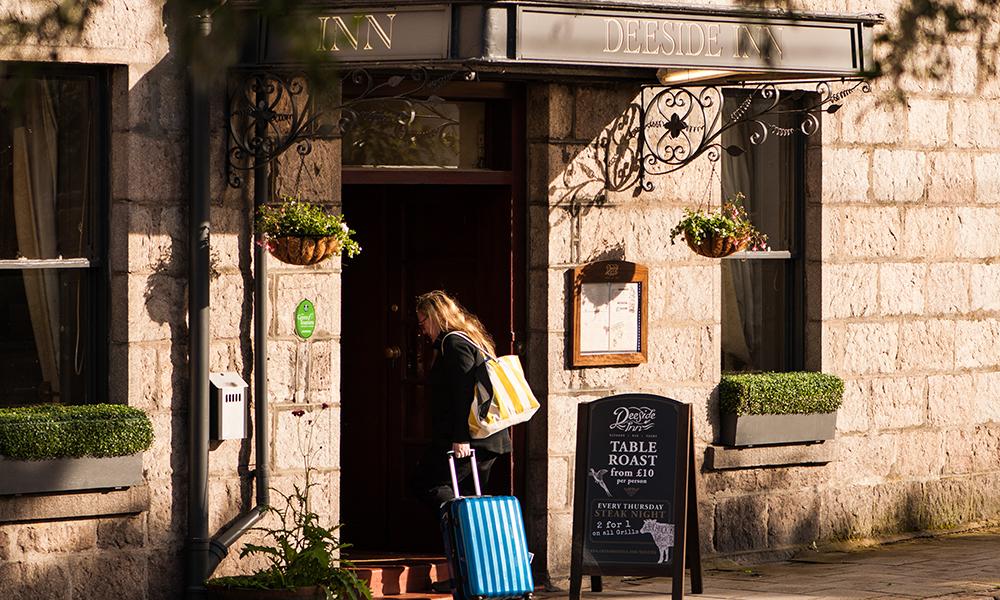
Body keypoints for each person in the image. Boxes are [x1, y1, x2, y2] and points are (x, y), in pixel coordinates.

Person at [412, 290, 512, 508]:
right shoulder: (472, 338)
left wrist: (461, 438)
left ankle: (459, 535)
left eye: (423, 323)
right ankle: (467, 540)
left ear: (435, 317)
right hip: (487, 437)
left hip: (472, 439)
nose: (423, 331)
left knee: (431, 484)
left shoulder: (454, 344)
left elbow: (463, 391)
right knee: (469, 495)